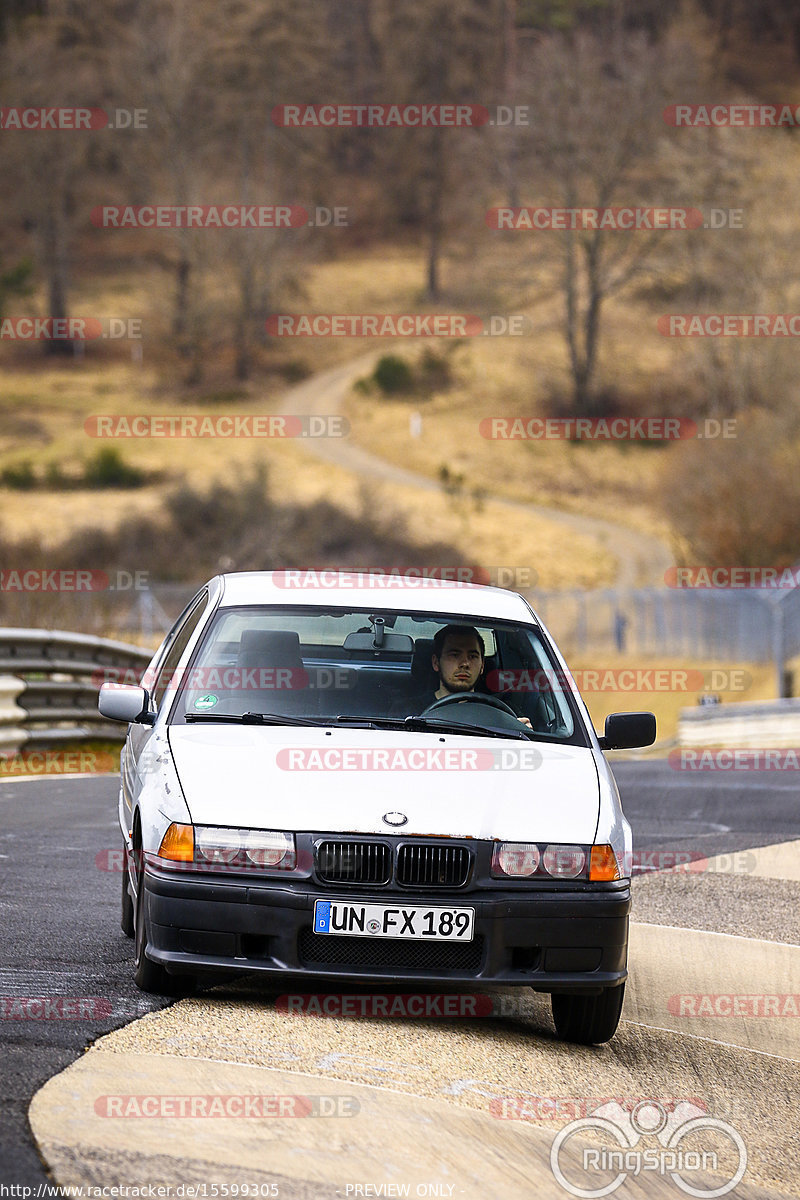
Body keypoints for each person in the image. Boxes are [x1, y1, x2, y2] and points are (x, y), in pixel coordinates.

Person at [394, 624, 531, 726]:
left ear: (482, 665)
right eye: (454, 655)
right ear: (436, 663)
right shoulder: (405, 710)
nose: (465, 663)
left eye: (472, 656)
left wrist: (520, 731)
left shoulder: (503, 715)